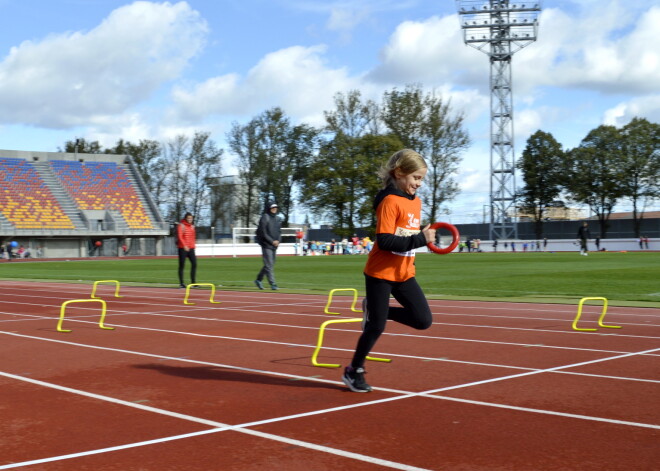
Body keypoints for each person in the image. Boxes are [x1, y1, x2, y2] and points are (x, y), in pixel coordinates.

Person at [342, 149, 436, 393]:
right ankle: (354, 371)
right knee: (375, 327)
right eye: (416, 178)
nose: (419, 184)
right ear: (399, 173)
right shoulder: (389, 201)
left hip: (404, 274)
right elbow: (385, 241)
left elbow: (408, 237)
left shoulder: (416, 202)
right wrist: (421, 239)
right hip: (380, 273)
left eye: (422, 179)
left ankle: (378, 312)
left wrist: (420, 239)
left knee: (423, 320)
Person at [254, 202, 281, 290]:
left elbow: (279, 232)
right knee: (269, 265)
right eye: (273, 207)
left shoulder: (277, 218)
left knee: (270, 264)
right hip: (266, 244)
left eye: (275, 207)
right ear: (269, 208)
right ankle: (273, 284)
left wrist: (278, 241)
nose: (274, 209)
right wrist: (272, 241)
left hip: (274, 245)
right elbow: (263, 232)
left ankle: (258, 279)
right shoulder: (265, 217)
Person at [176, 212, 197, 288]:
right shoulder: (181, 225)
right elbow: (180, 236)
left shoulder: (192, 227)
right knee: (182, 265)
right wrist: (184, 245)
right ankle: (181, 283)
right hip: (182, 248)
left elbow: (193, 237)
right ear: (185, 218)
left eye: (191, 218)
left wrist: (193, 246)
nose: (190, 219)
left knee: (194, 264)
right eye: (188, 218)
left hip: (191, 248)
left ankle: (193, 282)